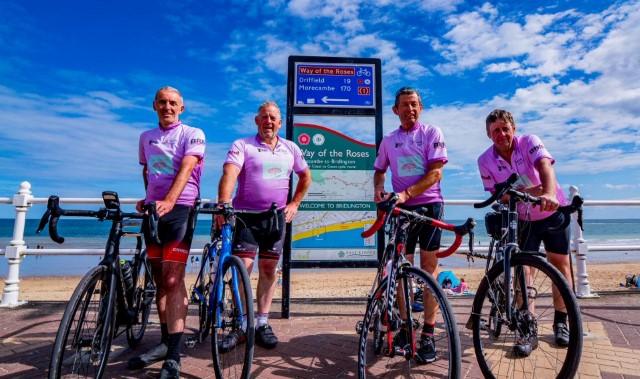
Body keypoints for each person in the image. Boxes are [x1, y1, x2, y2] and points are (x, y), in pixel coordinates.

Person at [215, 101, 311, 351]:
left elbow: (306, 176)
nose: (268, 121)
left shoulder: (290, 148)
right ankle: (243, 324)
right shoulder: (242, 145)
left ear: (280, 123)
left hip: (275, 218)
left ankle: (262, 323)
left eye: (273, 118)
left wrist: (295, 204)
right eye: (264, 117)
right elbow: (229, 174)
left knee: (269, 269)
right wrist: (223, 204)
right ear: (256, 121)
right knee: (242, 270)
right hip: (246, 217)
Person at [478, 108, 572, 355]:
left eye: (505, 128)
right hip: (523, 218)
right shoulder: (484, 160)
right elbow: (499, 195)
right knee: (523, 270)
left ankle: (562, 322)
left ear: (514, 129)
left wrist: (548, 193)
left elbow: (545, 167)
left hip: (553, 210)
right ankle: (527, 327)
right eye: (495, 130)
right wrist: (534, 192)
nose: (501, 134)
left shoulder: (530, 141)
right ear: (489, 134)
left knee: (560, 265)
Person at [129, 87, 205, 379]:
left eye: (173, 103)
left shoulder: (193, 133)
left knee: (173, 277)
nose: (167, 106)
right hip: (153, 210)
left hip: (181, 208)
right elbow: (149, 170)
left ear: (181, 108)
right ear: (154, 106)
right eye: (162, 102)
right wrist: (146, 196)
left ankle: (174, 356)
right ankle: (164, 343)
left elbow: (187, 166)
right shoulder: (145, 137)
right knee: (159, 279)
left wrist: (171, 199)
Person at [373, 86, 448, 364]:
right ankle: (405, 327)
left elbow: (436, 172)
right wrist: (378, 191)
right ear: (395, 110)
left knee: (428, 269)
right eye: (404, 105)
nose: (409, 109)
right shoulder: (389, 140)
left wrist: (406, 194)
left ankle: (427, 334)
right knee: (401, 269)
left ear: (421, 106)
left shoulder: (431, 133)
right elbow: (379, 171)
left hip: (429, 206)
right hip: (400, 209)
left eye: (414, 104)